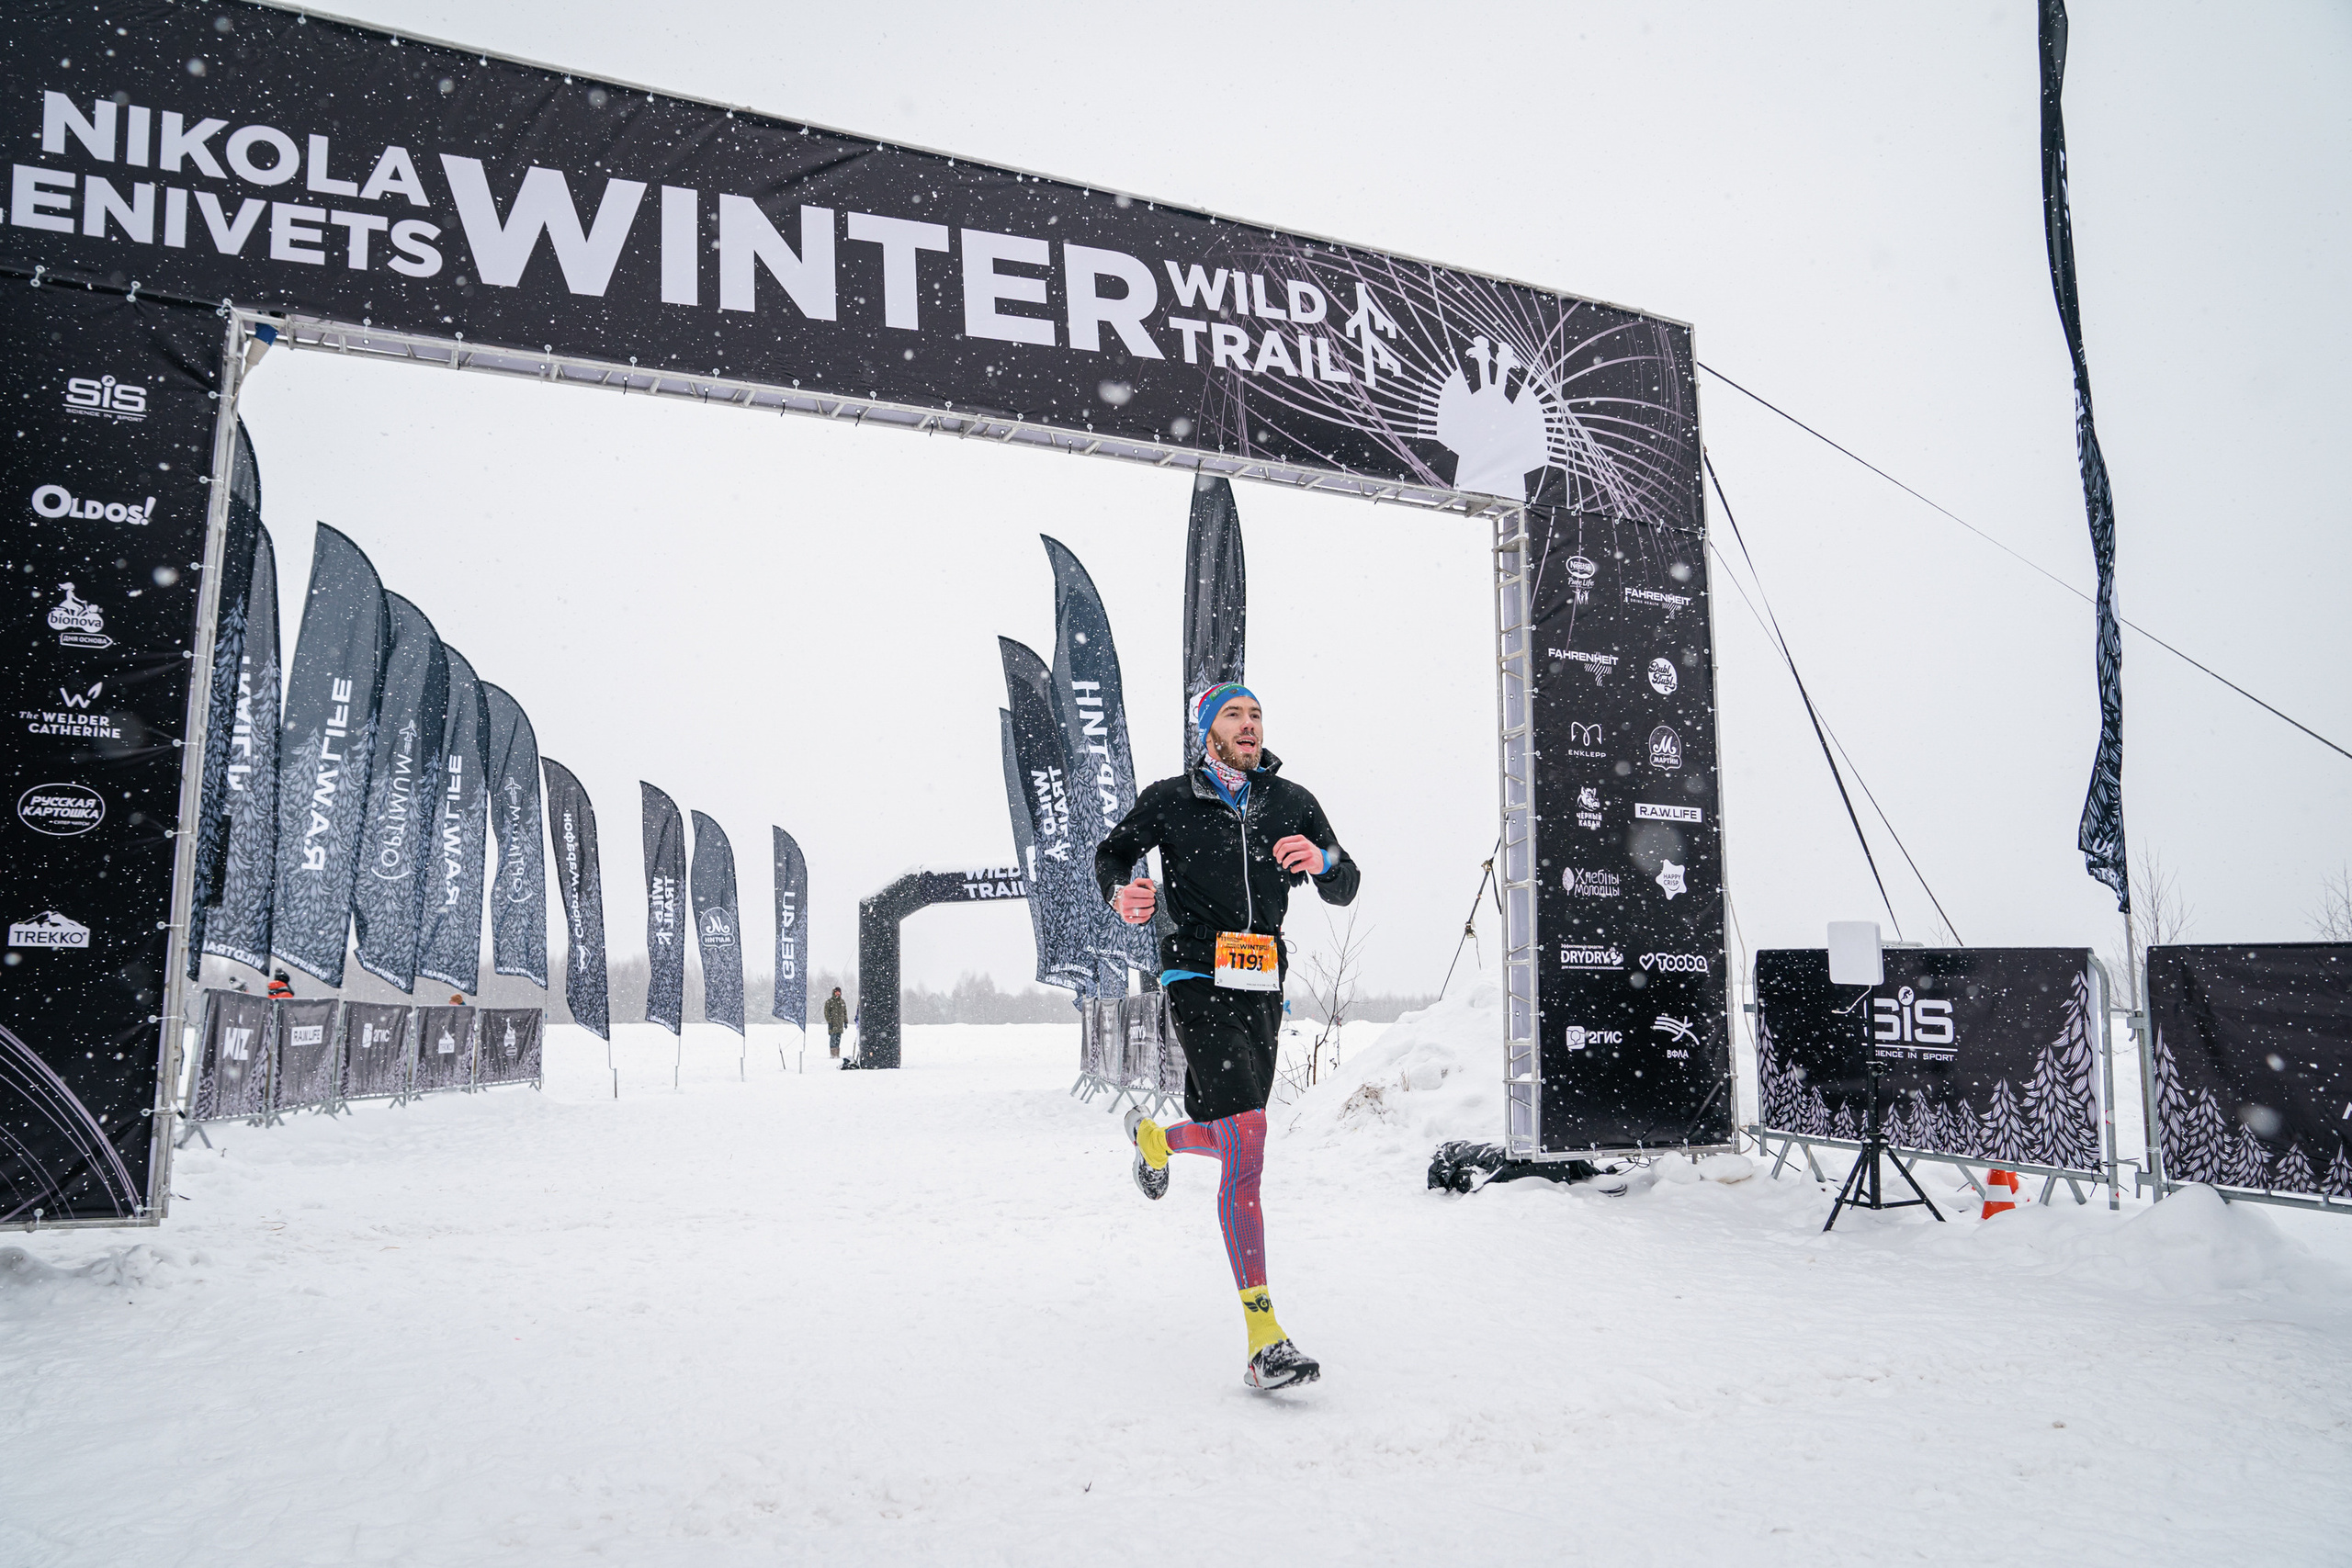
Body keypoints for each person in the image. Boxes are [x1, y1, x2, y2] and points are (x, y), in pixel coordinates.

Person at [1096, 682, 1358, 1392]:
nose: (1249, 725)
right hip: (1195, 973)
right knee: (1247, 1134)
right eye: (1234, 715)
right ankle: (1264, 1339)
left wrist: (1325, 863)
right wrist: (1121, 893)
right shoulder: (1171, 798)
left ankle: (1157, 1140)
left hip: (1263, 982)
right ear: (1209, 730)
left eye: (1256, 714)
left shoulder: (1291, 801)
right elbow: (1112, 853)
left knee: (1241, 1134)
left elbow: (1346, 881)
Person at [824, 987, 849, 1058]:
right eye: (836, 992)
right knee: (833, 1039)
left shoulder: (842, 1002)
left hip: (840, 1024)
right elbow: (826, 1013)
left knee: (838, 1039)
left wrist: (845, 1022)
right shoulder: (829, 1002)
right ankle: (833, 1054)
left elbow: (845, 1012)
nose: (838, 993)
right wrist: (829, 1022)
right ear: (834, 993)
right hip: (833, 1024)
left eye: (839, 992)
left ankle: (837, 1054)